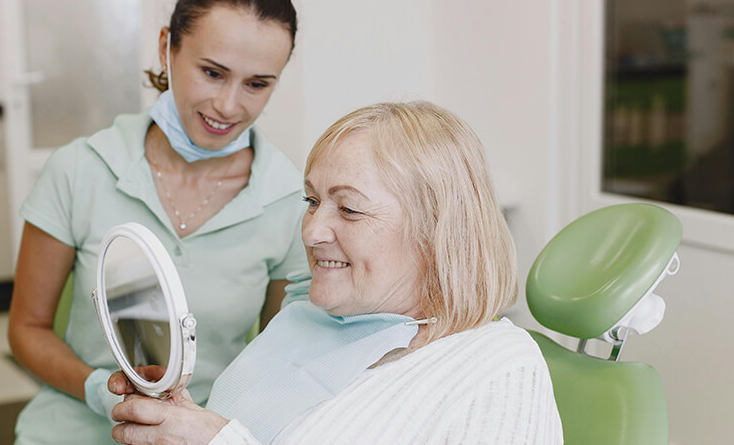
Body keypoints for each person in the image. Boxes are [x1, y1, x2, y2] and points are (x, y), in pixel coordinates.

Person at [106, 101, 564, 444]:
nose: (311, 232)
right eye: (312, 202)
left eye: (348, 209)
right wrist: (181, 422)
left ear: (436, 232)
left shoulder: (496, 367)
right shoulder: (312, 320)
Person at [7, 0, 307, 443]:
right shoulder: (79, 169)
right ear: (168, 47)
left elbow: (281, 357)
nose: (228, 105)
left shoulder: (289, 200)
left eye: (257, 84)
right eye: (212, 72)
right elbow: (26, 329)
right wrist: (98, 391)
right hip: (70, 429)